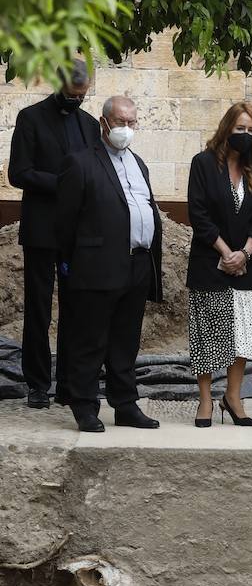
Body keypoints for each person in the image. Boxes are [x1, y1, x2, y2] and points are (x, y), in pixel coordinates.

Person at [56, 95, 162, 433]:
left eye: (132, 123)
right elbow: (66, 222)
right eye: (120, 122)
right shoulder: (81, 162)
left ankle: (125, 404)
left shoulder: (139, 163)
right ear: (104, 123)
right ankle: (85, 405)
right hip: (97, 265)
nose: (126, 129)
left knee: (126, 339)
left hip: (138, 263)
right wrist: (71, 265)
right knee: (91, 339)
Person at [7, 59, 99, 409]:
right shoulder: (30, 119)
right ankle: (37, 383)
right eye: (72, 94)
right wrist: (63, 184)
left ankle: (69, 384)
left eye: (82, 95)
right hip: (42, 231)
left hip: (78, 233)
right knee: (39, 310)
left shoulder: (90, 126)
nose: (77, 100)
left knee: (75, 310)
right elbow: (19, 173)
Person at [186, 103, 252, 428]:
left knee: (244, 332)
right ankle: (206, 399)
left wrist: (245, 253)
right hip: (210, 260)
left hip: (246, 264)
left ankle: (232, 397)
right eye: (240, 128)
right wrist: (224, 252)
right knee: (207, 332)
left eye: (251, 130)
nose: (245, 135)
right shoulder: (203, 164)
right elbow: (198, 214)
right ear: (227, 128)